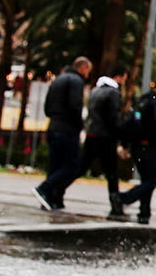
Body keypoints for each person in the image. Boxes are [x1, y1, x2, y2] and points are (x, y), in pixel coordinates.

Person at [118, 72, 156, 225]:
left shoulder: (144, 98)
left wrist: (126, 143)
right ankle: (123, 198)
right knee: (151, 181)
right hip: (149, 146)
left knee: (146, 179)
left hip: (137, 145)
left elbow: (132, 120)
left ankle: (144, 211)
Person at [34, 56, 91, 210]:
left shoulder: (58, 79)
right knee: (72, 166)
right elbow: (75, 105)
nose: (88, 75)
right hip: (67, 129)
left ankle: (51, 199)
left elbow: (47, 106)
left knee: (55, 165)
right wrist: (79, 125)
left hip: (53, 126)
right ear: (83, 68)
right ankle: (44, 189)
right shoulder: (76, 81)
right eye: (88, 71)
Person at [81, 65, 129, 220]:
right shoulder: (113, 93)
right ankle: (116, 205)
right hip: (105, 137)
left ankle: (54, 190)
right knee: (111, 172)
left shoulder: (96, 90)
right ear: (120, 77)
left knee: (81, 166)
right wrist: (120, 137)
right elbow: (113, 118)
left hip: (92, 133)